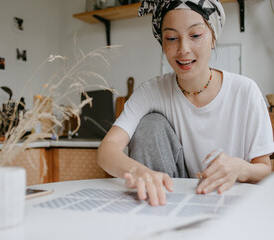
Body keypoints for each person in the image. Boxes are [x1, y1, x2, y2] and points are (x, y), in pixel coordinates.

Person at [97, 0, 274, 206]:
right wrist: (138, 171)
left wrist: (240, 168)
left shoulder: (245, 91)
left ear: (213, 38)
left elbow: (264, 169)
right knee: (150, 124)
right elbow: (106, 150)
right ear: (162, 43)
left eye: (195, 35)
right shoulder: (151, 91)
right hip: (171, 198)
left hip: (229, 201)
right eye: (171, 38)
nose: (183, 49)